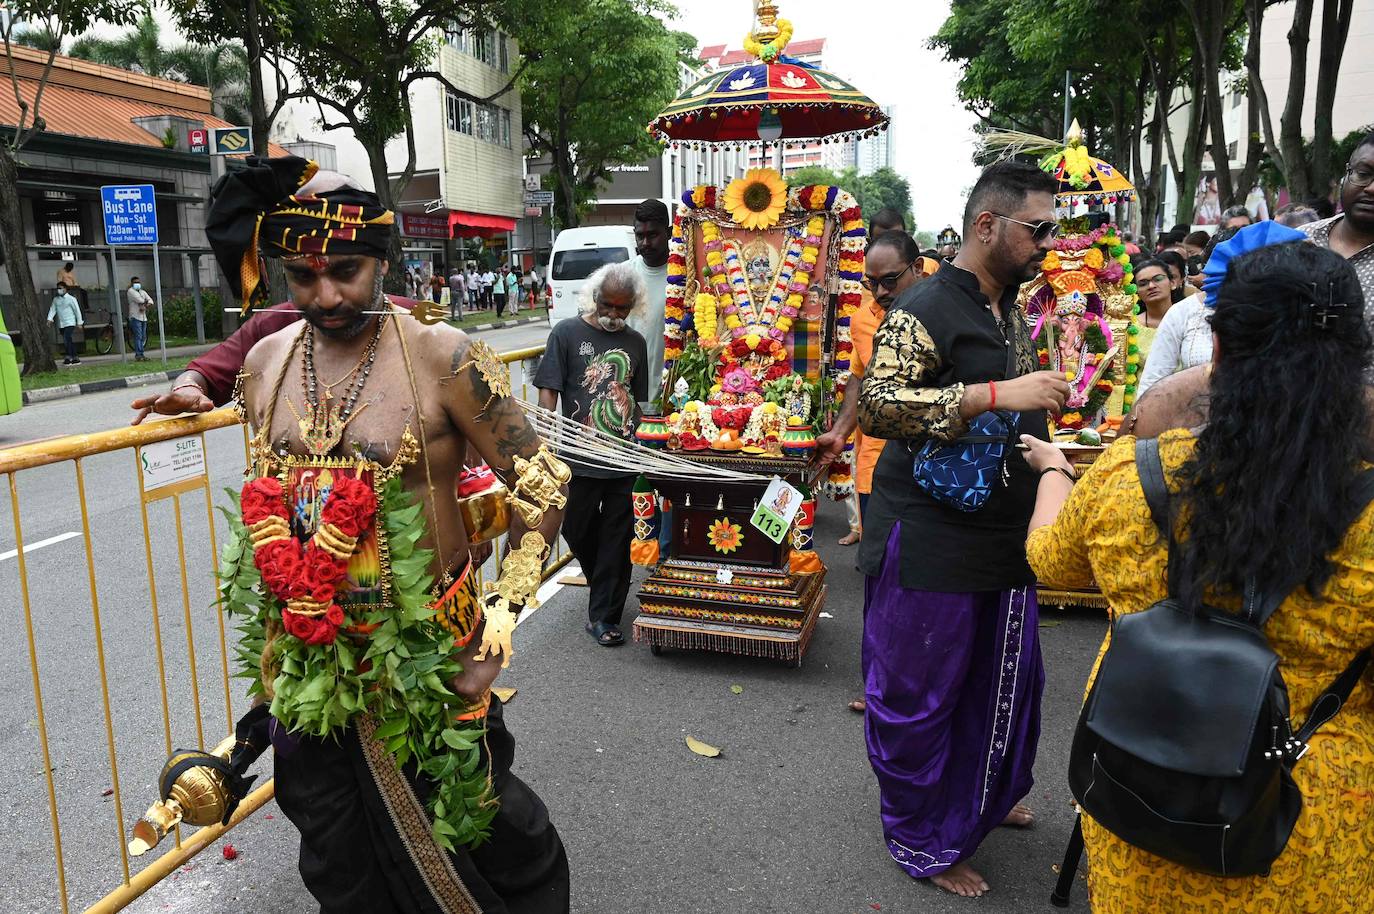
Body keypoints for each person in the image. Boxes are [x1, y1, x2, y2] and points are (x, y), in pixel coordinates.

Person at [212, 155, 570, 911]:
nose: (327, 294)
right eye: (303, 278)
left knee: (490, 833)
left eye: (346, 270)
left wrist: (499, 626)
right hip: (311, 663)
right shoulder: (264, 365)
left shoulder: (446, 358)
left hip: (436, 655)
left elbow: (543, 488)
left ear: (381, 261)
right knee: (338, 858)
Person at [1022, 239, 1374, 914]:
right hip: (1306, 817)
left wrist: (1056, 473)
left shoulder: (1133, 474)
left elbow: (1050, 562)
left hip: (1140, 792)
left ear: (1215, 351)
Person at [855, 160, 1070, 897]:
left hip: (1003, 536)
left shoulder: (1007, 303)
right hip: (933, 537)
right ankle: (920, 837)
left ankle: (981, 791)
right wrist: (992, 394)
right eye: (1038, 228)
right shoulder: (926, 305)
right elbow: (880, 404)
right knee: (921, 695)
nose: (1050, 241)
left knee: (1004, 681)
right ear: (989, 225)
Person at [534, 261, 648, 648]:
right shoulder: (566, 333)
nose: (615, 315)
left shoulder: (636, 342)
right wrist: (545, 443)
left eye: (623, 308)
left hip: (623, 461)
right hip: (577, 461)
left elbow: (640, 398)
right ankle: (605, 580)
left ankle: (604, 616)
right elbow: (549, 391)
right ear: (595, 298)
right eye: (609, 306)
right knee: (576, 530)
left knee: (618, 537)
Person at [1299, 131, 1374, 382]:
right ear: (1346, 174)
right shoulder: (1298, 241)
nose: (1371, 189)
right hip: (1286, 405)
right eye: (1363, 174)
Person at [1137, 227, 1243, 398]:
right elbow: (1153, 382)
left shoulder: (1277, 310)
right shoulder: (1183, 312)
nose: (1151, 286)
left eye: (1158, 279)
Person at [627, 198, 671, 393]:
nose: (645, 243)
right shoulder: (621, 276)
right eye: (640, 236)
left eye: (652, 235)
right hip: (629, 401)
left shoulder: (687, 276)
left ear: (668, 233)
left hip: (674, 399)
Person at [48, 282, 83, 365]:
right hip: (61, 323)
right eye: (58, 288)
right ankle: (75, 357)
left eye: (61, 288)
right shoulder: (56, 300)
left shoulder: (71, 299)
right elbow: (53, 309)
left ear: (65, 289)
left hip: (70, 322)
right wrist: (49, 319)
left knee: (66, 338)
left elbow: (77, 311)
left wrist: (79, 322)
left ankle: (68, 356)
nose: (59, 290)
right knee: (68, 340)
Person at [126, 276, 154, 361]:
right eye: (135, 283)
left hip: (143, 317)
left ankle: (141, 354)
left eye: (138, 282)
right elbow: (140, 300)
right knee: (138, 336)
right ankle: (139, 354)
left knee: (143, 336)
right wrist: (145, 303)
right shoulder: (130, 291)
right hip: (135, 316)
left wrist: (145, 305)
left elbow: (150, 301)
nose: (137, 284)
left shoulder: (142, 292)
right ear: (132, 283)